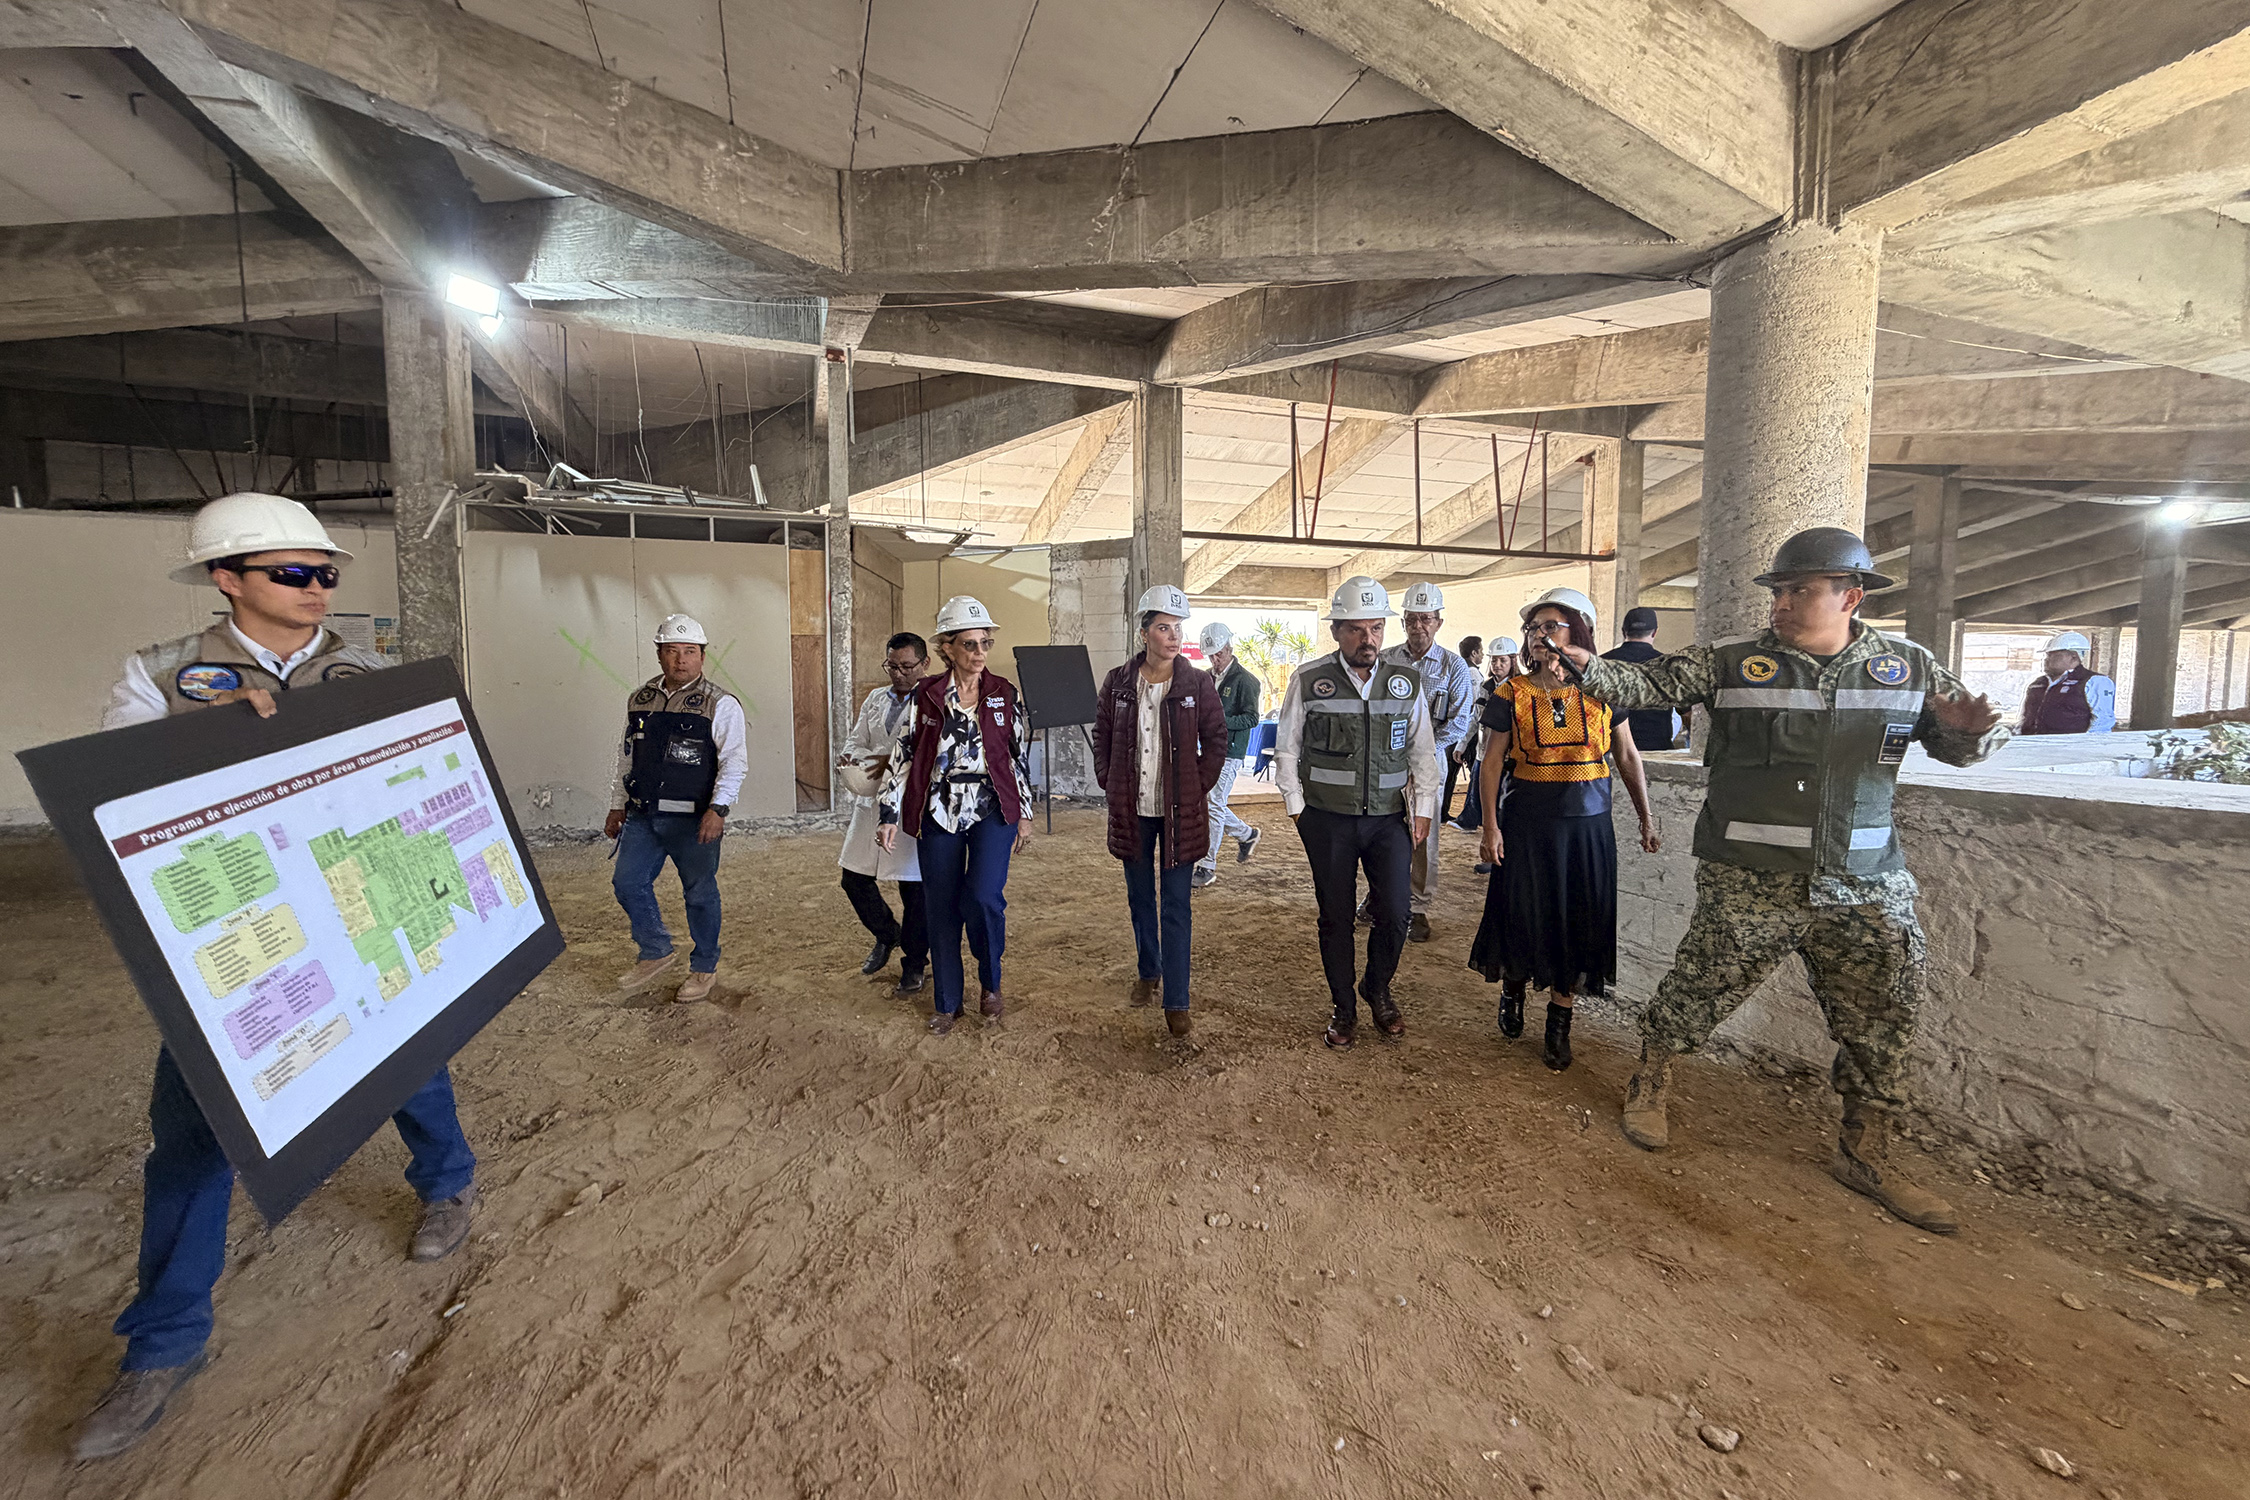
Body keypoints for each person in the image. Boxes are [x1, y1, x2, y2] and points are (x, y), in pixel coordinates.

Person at [79, 492, 481, 1460]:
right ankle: (163, 1348)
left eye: (326, 574)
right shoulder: (159, 678)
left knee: (412, 1067)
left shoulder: (372, 675)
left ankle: (449, 1185)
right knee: (197, 1135)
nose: (316, 591)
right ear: (227, 578)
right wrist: (218, 738)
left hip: (360, 913)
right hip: (241, 947)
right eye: (293, 574)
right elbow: (113, 803)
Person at [1546, 527, 2005, 1234]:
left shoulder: (1906, 667)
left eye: (1801, 590)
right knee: (1697, 991)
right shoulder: (1735, 663)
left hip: (1864, 883)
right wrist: (1582, 663)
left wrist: (1969, 732)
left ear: (1850, 596)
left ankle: (1867, 1151)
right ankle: (1652, 1081)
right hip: (1751, 878)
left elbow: (1960, 743)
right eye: (1781, 590)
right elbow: (1647, 682)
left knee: (1885, 1019)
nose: (1783, 603)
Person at [1469, 589, 1659, 1070]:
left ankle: (1559, 1020)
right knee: (1522, 912)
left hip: (1588, 828)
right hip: (1527, 823)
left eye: (1551, 626)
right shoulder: (1509, 693)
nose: (1540, 636)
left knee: (1578, 920)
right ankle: (1513, 991)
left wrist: (1645, 815)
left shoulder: (1603, 690)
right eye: (1534, 628)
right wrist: (1490, 827)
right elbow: (1492, 764)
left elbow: (1627, 755)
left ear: (1578, 630)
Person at [1275, 575, 1442, 1048]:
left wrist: (1424, 807)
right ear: (1336, 631)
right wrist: (1296, 808)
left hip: (1388, 819)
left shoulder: (1405, 683)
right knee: (1336, 915)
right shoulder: (1310, 680)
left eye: (1374, 629)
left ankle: (1377, 987)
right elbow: (1286, 748)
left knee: (1395, 912)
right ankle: (1344, 1007)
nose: (1366, 639)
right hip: (1327, 821)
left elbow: (1422, 751)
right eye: (1355, 629)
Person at [877, 596, 1031, 1034]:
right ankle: (947, 1003)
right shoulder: (925, 696)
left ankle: (991, 982)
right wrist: (889, 813)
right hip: (938, 808)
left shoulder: (1004, 693)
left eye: (985, 642)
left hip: (993, 806)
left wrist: (1025, 813)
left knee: (983, 897)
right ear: (947, 647)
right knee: (939, 905)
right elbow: (902, 757)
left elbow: (1019, 757)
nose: (980, 653)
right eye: (969, 644)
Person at [1093, 587, 1227, 1035]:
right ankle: (1148, 971)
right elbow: (1104, 734)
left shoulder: (1197, 683)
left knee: (1177, 903)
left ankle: (1177, 999)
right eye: (1164, 628)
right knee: (1139, 897)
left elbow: (1217, 740)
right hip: (1132, 808)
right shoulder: (1118, 682)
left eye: (1178, 628)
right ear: (1144, 632)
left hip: (1178, 811)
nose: (1174, 637)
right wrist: (1108, 779)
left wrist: (1196, 786)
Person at [604, 614, 747, 1005]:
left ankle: (704, 967)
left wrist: (718, 809)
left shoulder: (720, 704)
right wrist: (618, 805)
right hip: (643, 816)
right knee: (627, 883)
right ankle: (655, 950)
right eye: (671, 651)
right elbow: (626, 757)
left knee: (700, 893)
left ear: (702, 656)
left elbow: (734, 761)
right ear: (659, 654)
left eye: (689, 652)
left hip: (693, 819)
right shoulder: (641, 699)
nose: (680, 660)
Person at [1360, 582, 1478, 943]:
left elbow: (1459, 720)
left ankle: (1419, 907)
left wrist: (1421, 752)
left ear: (1438, 622)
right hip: (1385, 765)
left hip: (1428, 765)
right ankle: (1380, 896)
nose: (1418, 625)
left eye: (1426, 618)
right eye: (1412, 618)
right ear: (1404, 622)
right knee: (1380, 833)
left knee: (1422, 837)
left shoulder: (1453, 667)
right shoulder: (1386, 660)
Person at [838, 633, 931, 996]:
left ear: (925, 664)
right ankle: (886, 933)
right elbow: (855, 741)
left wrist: (888, 764)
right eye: (891, 666)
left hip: (912, 805)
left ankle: (915, 963)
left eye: (907, 667)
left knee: (915, 890)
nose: (899, 674)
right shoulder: (876, 698)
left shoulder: (934, 701)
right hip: (872, 800)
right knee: (853, 878)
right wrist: (854, 761)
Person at [1191, 621, 1263, 889]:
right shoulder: (1207, 678)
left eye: (1218, 654)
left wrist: (1219, 721)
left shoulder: (1246, 681)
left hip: (1231, 751)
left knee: (1214, 804)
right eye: (1210, 655)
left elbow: (1252, 718)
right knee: (1210, 802)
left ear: (1229, 649)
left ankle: (1207, 865)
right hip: (1208, 748)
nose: (1214, 660)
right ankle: (1247, 834)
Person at [1455, 634, 1519, 844]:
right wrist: (1462, 744)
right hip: (1484, 752)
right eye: (1494, 660)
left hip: (1508, 757)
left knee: (1503, 802)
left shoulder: (1518, 688)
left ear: (1512, 661)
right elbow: (1475, 718)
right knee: (1482, 797)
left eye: (1503, 660)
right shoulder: (1486, 687)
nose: (1497, 665)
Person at [1603, 606, 1682, 751]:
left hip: (1613, 750)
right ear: (1655, 632)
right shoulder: (1669, 665)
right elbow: (1687, 714)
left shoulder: (1602, 663)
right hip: (1657, 749)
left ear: (1623, 631)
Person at [2020, 630, 2118, 734]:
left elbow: (2102, 722)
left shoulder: (2095, 681)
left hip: (2069, 747)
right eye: (2047, 656)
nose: (2046, 660)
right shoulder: (2039, 683)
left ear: (2073, 656)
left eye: (2053, 655)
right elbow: (2026, 717)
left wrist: (2088, 746)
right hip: (2032, 745)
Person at [1439, 634, 1485, 824]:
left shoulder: (1457, 670)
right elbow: (1474, 703)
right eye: (1481, 651)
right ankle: (1471, 813)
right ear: (1474, 653)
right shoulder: (1472, 673)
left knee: (1449, 774)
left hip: (1453, 728)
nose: (1482, 655)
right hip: (1466, 730)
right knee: (1473, 773)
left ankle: (1443, 810)